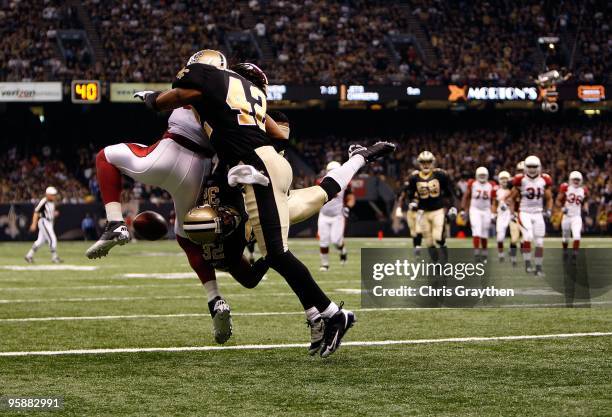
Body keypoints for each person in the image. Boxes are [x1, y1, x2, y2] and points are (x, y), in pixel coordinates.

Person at [136, 51, 394, 357]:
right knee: (321, 193)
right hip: (268, 176)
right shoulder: (253, 97)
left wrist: (152, 99)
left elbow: (179, 92)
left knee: (273, 252)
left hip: (256, 174)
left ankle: (333, 314)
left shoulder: (210, 79)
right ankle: (360, 157)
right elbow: (279, 135)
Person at [84, 103, 233, 344]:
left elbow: (176, 96)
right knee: (187, 237)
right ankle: (215, 299)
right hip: (199, 168)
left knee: (106, 157)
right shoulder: (238, 103)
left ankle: (115, 223)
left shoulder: (201, 79)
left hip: (170, 151)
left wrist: (156, 97)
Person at [403, 151, 457, 262]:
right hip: (423, 211)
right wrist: (412, 202)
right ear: (419, 163)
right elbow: (409, 194)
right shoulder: (414, 177)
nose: (426, 165)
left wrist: (452, 206)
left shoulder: (440, 175)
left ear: (433, 162)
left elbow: (449, 192)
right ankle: (436, 264)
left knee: (438, 238)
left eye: (428, 162)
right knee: (429, 242)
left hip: (438, 210)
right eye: (423, 162)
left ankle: (444, 259)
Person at [508, 155, 553, 276]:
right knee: (527, 236)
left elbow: (549, 198)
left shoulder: (544, 180)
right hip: (524, 212)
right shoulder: (520, 180)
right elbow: (512, 198)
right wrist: (512, 213)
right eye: (529, 167)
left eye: (534, 167)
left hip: (538, 213)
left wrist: (549, 210)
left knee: (539, 242)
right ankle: (528, 264)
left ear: (539, 167)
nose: (532, 169)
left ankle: (538, 267)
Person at [317, 161, 355, 271]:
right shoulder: (321, 181)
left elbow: (351, 198)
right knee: (323, 240)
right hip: (323, 215)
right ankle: (325, 264)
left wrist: (347, 207)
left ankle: (342, 250)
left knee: (336, 240)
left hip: (337, 216)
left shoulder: (345, 183)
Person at [461, 166, 496, 263]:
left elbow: (494, 201)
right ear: (476, 175)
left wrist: (493, 212)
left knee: (484, 232)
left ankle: (484, 254)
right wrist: (463, 209)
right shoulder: (473, 184)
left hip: (486, 210)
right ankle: (477, 254)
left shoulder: (491, 185)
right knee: (476, 231)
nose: (482, 177)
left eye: (484, 175)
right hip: (475, 210)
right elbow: (466, 196)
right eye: (480, 175)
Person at [25, 186, 62, 264]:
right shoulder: (44, 201)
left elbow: (48, 212)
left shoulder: (52, 202)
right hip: (44, 222)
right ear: (48, 194)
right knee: (52, 239)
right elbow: (36, 212)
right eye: (53, 194)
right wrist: (33, 224)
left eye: (55, 194)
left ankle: (29, 256)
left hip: (49, 222)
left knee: (40, 241)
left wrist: (54, 214)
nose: (54, 196)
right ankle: (54, 257)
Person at [556, 171, 587, 259]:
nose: (576, 181)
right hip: (567, 216)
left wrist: (585, 207)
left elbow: (584, 201)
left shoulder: (583, 190)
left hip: (576, 217)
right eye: (574, 179)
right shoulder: (566, 188)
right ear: (571, 180)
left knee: (577, 236)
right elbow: (558, 200)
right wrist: (562, 207)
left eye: (578, 180)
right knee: (565, 238)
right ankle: (565, 251)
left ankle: (574, 254)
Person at [492, 171, 519, 264]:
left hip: (512, 213)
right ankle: (501, 255)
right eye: (502, 179)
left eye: (506, 179)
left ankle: (513, 256)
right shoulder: (496, 190)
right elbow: (494, 203)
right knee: (500, 237)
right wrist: (493, 213)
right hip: (501, 215)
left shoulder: (514, 189)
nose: (504, 181)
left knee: (514, 237)